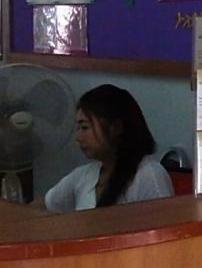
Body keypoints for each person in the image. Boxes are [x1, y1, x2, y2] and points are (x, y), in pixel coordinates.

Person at [43, 85, 174, 213]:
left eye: (85, 127)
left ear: (115, 127)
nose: (78, 137)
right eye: (79, 128)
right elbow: (44, 205)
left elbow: (166, 224)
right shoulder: (82, 176)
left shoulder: (148, 175)